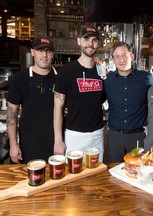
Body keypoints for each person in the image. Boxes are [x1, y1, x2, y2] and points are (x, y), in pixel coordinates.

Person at [53, 26, 106, 161]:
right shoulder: (66, 71)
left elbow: (103, 100)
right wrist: (58, 140)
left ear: (98, 44)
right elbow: (58, 107)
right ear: (79, 41)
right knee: (73, 177)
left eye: (94, 40)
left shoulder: (102, 71)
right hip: (74, 136)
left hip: (97, 135)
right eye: (86, 39)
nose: (90, 44)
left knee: (96, 176)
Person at [6, 36, 57, 164]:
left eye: (48, 51)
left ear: (53, 54)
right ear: (33, 52)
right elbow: (11, 113)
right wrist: (13, 145)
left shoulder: (60, 77)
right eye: (40, 50)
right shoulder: (20, 78)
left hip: (56, 143)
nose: (44, 55)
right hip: (29, 144)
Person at [104, 42, 153, 162]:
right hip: (114, 136)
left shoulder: (146, 78)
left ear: (131, 57)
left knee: (138, 174)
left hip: (137, 137)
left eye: (124, 55)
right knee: (115, 173)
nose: (121, 60)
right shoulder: (108, 80)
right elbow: (94, 99)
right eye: (117, 56)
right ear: (113, 60)